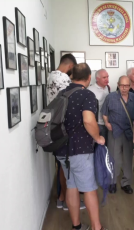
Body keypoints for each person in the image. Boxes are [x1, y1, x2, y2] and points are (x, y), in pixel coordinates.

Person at [56, 63, 107, 230]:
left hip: (62, 148)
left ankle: (76, 226)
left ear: (72, 76)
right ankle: (96, 227)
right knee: (90, 189)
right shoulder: (87, 95)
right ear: (89, 78)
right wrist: (98, 137)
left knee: (72, 185)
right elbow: (88, 120)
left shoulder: (62, 93)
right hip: (79, 150)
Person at [46, 54, 86, 211]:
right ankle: (69, 201)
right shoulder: (63, 79)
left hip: (54, 126)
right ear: (70, 66)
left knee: (63, 166)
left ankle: (62, 198)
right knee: (68, 167)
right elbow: (71, 103)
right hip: (64, 127)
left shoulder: (51, 76)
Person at [101, 76, 134, 194]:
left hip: (129, 132)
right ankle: (112, 182)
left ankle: (126, 183)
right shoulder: (110, 97)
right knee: (114, 159)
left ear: (130, 86)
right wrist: (107, 123)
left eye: (127, 86)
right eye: (122, 85)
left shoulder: (133, 97)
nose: (124, 88)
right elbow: (104, 112)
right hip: (115, 131)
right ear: (118, 85)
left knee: (128, 159)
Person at [88, 69, 110, 144]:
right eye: (104, 77)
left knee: (106, 146)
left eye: (107, 77)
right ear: (97, 79)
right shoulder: (90, 90)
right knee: (98, 146)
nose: (107, 79)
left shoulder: (108, 88)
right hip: (97, 123)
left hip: (107, 122)